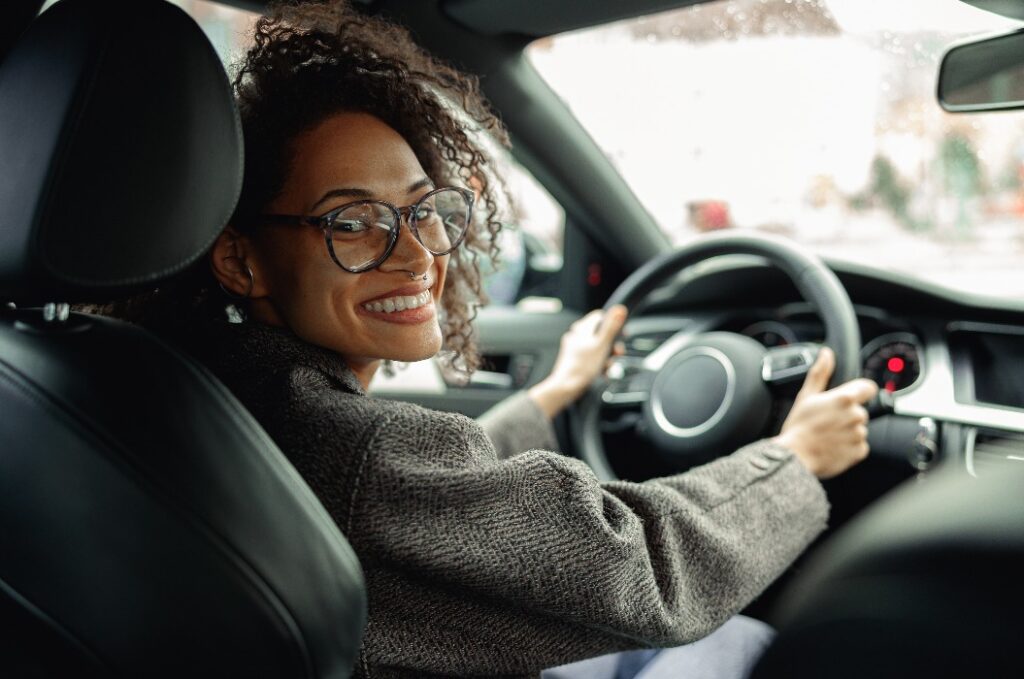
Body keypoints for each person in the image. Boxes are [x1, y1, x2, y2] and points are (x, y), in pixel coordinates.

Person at [107, 2, 878, 677]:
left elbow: (436, 505)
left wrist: (546, 398)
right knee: (755, 649)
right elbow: (644, 569)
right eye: (353, 222)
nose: (416, 255)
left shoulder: (178, 386)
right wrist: (793, 460)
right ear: (242, 259)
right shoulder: (350, 456)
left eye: (423, 209)